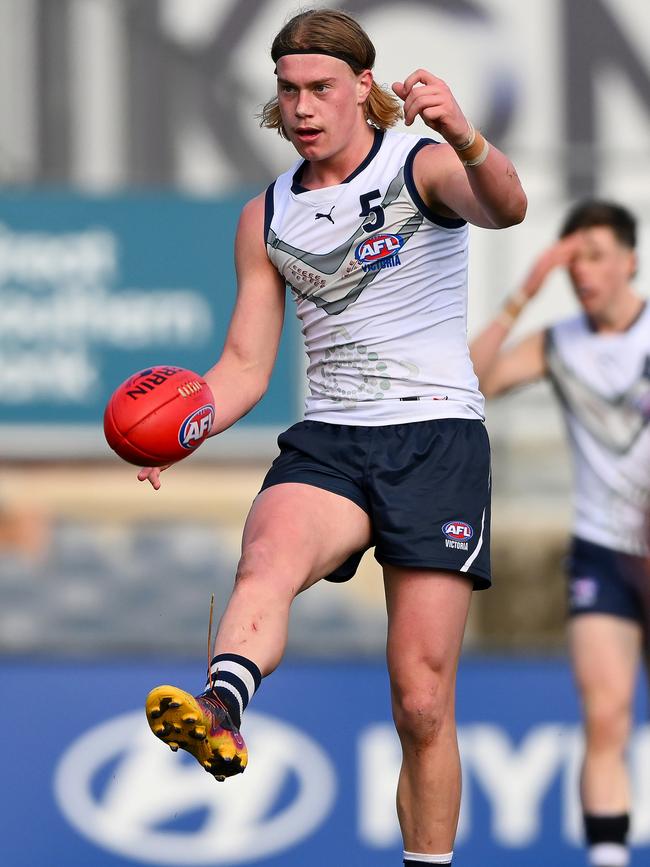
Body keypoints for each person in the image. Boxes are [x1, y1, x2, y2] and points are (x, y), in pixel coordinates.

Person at [140, 9, 526, 866]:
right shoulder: (266, 215)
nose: (304, 106)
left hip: (436, 439)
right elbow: (243, 364)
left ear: (363, 88)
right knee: (265, 559)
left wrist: (464, 134)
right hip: (333, 442)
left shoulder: (421, 164)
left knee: (421, 701)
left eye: (321, 88)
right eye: (288, 90)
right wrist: (182, 427)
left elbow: (507, 206)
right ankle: (222, 710)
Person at [470, 200, 650, 867]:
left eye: (598, 254)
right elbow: (467, 382)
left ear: (631, 260)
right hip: (602, 551)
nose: (584, 272)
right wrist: (523, 292)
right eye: (573, 259)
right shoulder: (559, 343)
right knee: (606, 718)